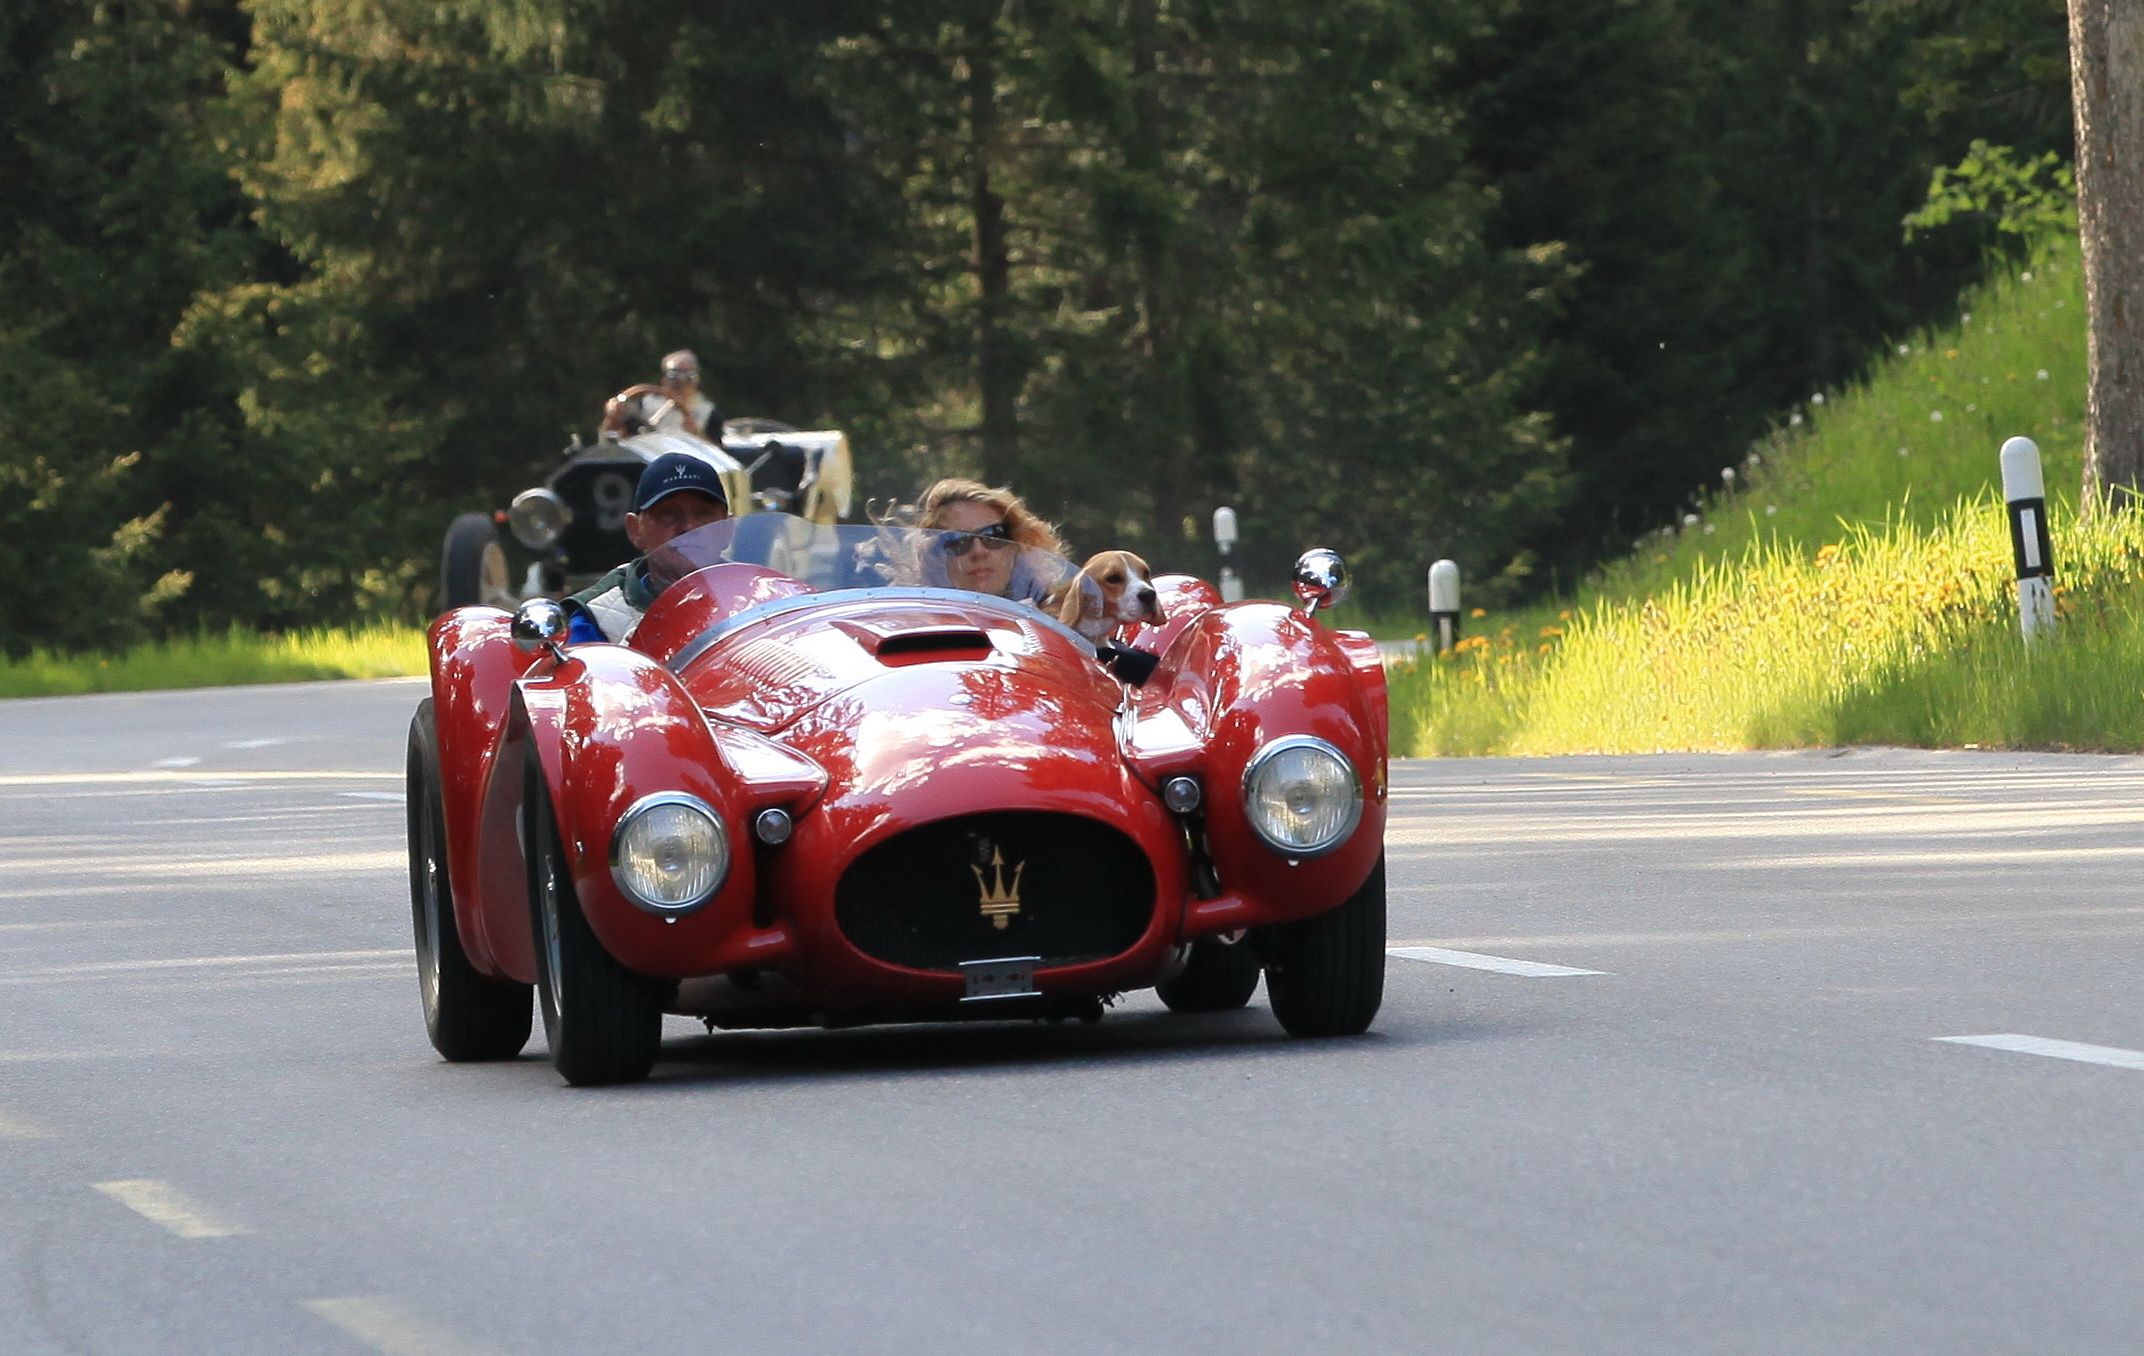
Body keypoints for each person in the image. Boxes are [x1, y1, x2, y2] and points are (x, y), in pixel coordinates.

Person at [562, 452, 730, 644]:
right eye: (668, 514)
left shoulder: (761, 594)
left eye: (703, 514)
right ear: (636, 530)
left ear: (727, 529)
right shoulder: (596, 620)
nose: (688, 527)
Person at [913, 477, 1070, 604]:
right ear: (934, 555)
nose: (979, 551)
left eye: (993, 535)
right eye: (957, 541)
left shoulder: (1060, 620)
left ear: (1016, 544)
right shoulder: (914, 624)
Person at [599, 349, 720, 439]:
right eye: (673, 375)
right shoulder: (644, 405)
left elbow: (718, 451)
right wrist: (613, 416)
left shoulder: (707, 411)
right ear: (664, 379)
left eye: (688, 376)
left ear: (697, 380)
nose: (681, 381)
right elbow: (615, 436)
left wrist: (696, 434)